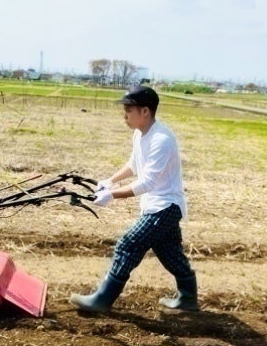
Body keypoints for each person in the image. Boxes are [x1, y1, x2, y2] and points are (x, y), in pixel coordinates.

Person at [70, 85, 199, 313]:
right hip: (156, 205)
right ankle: (188, 298)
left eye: (129, 110)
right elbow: (134, 165)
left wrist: (112, 195)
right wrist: (110, 181)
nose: (125, 115)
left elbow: (147, 182)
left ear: (145, 111)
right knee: (169, 252)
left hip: (166, 206)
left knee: (128, 244)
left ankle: (102, 300)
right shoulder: (140, 134)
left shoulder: (162, 139)